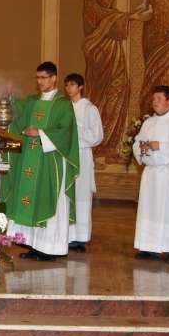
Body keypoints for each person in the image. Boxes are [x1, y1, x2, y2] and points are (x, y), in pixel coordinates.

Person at [3, 61, 79, 260]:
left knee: (47, 199)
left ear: (54, 78)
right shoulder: (32, 101)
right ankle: (34, 245)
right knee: (31, 200)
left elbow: (66, 131)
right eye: (37, 78)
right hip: (31, 158)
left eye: (44, 78)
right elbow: (18, 115)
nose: (40, 81)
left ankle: (49, 249)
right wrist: (10, 97)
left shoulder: (63, 104)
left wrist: (41, 133)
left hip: (50, 160)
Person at [82, 0, 151, 163]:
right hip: (106, 48)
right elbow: (104, 16)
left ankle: (105, 145)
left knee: (108, 93)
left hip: (104, 47)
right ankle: (104, 145)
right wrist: (132, 16)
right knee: (116, 90)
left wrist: (131, 14)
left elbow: (106, 14)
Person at [133, 85, 169, 262]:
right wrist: (142, 148)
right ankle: (149, 246)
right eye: (153, 99)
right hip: (152, 174)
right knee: (149, 209)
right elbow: (137, 142)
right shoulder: (149, 122)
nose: (155, 102)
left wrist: (160, 146)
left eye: (159, 99)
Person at [64, 74, 103, 251]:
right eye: (66, 85)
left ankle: (80, 237)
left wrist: (75, 131)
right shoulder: (64, 108)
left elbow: (97, 136)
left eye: (72, 84)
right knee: (66, 194)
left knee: (81, 196)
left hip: (82, 155)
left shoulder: (89, 109)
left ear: (80, 87)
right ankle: (66, 234)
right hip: (66, 156)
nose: (69, 88)